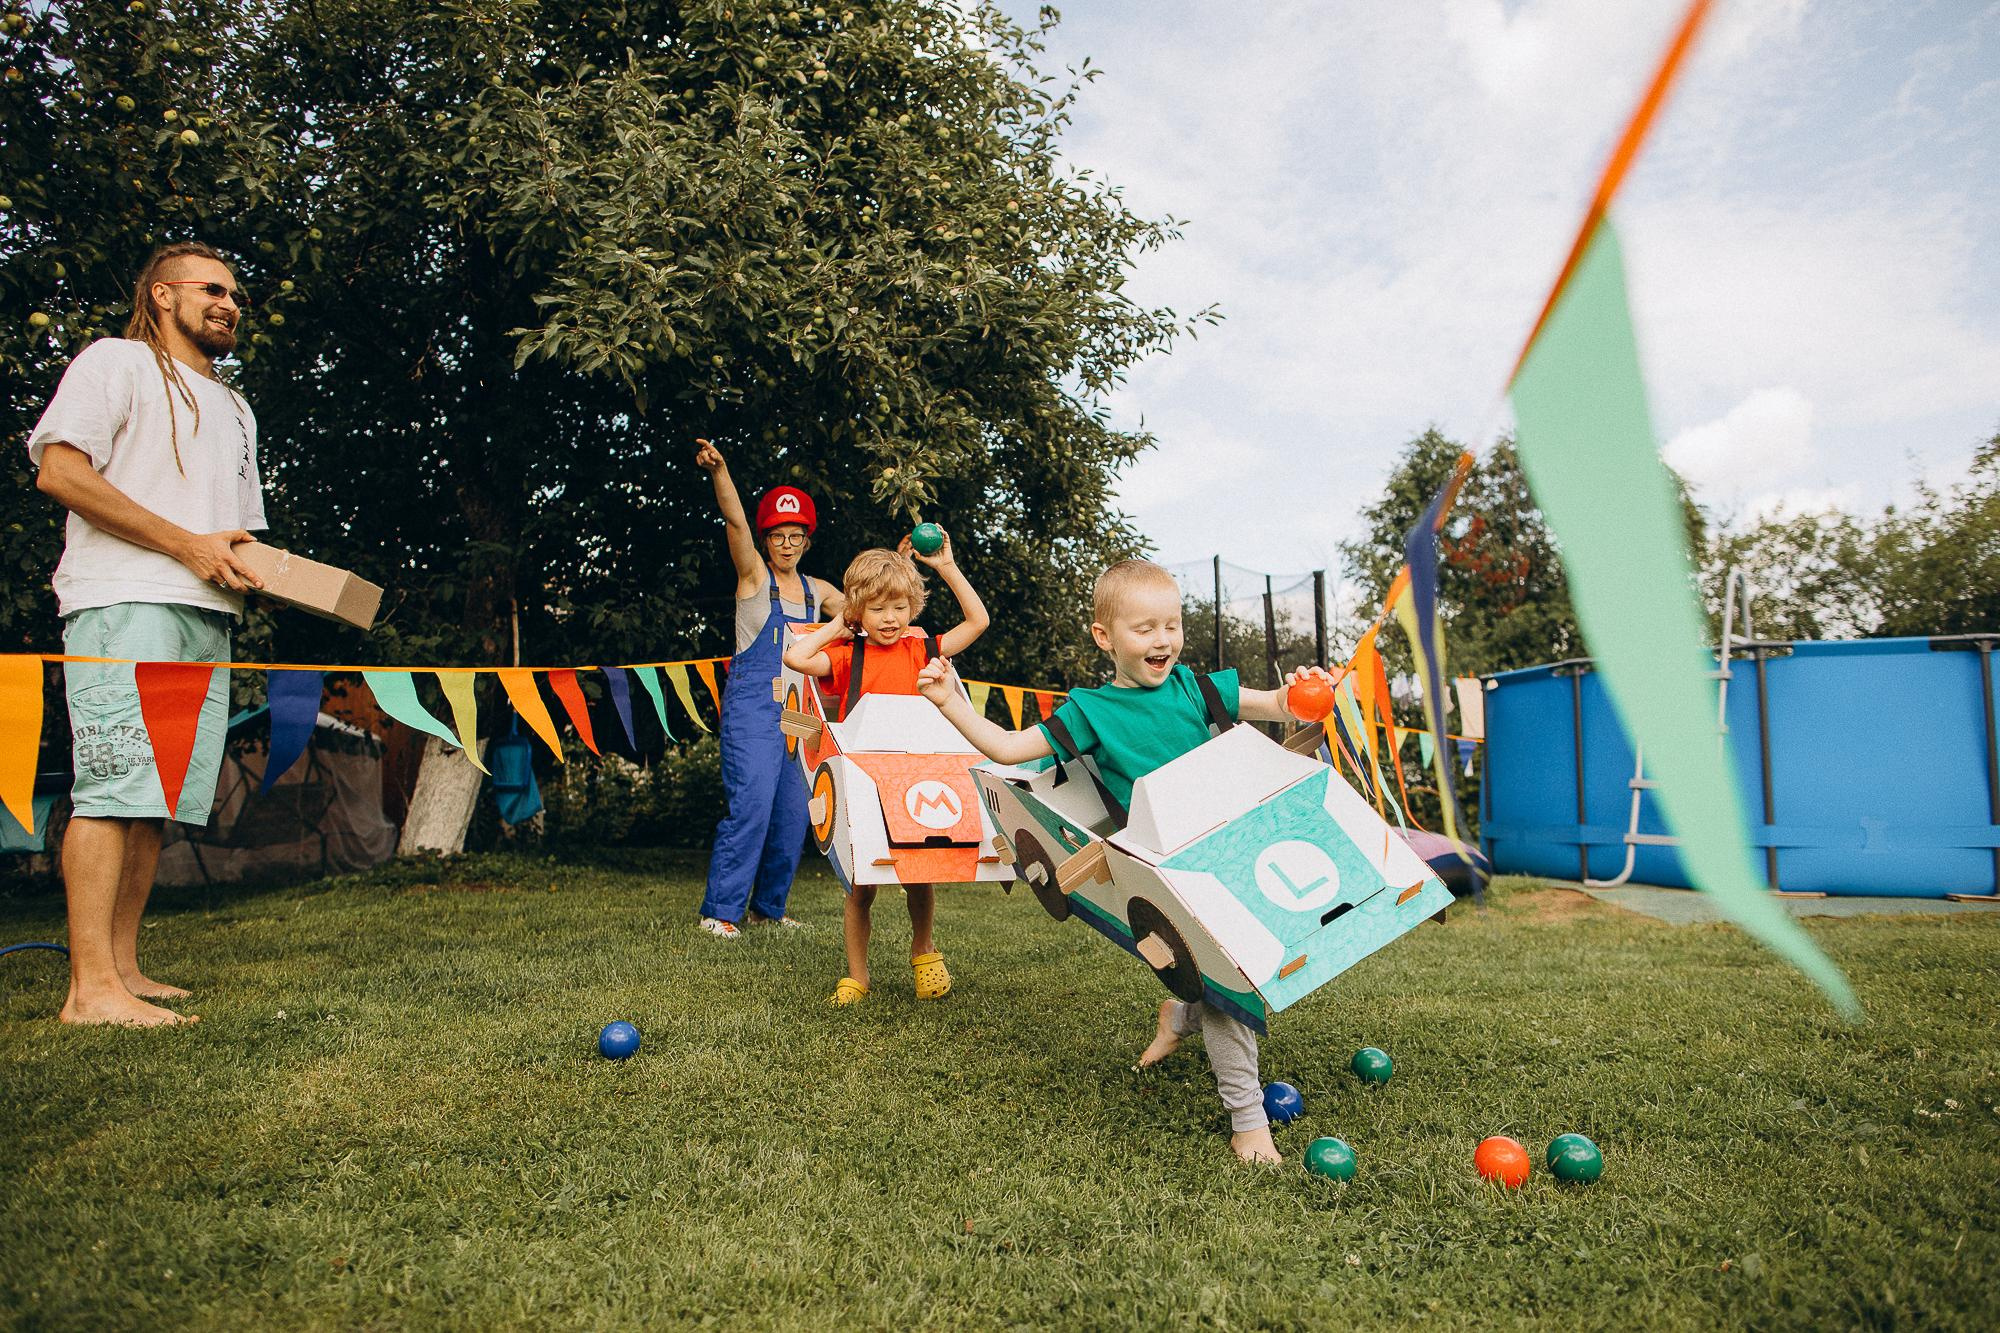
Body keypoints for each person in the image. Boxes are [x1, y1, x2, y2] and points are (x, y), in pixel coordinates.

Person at [916, 558, 1329, 1163]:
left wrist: (1309, 690)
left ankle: (1180, 1015)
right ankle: (1247, 1119)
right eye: (1144, 628)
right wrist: (951, 701)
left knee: (1236, 969)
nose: (1163, 639)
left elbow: (1282, 704)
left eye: (1172, 624)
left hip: (1230, 845)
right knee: (1233, 978)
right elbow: (1008, 748)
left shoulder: (1198, 686)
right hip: (1165, 863)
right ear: (1105, 637)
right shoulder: (1090, 711)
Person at [26, 241, 269, 1027]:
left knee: (155, 798)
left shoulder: (237, 409)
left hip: (206, 614)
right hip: (124, 600)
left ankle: (124, 967)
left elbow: (236, 536)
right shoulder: (114, 364)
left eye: (236, 294)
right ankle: (88, 989)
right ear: (162, 295)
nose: (230, 303)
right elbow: (60, 472)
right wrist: (183, 544)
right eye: (213, 289)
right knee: (111, 785)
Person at [782, 533, 989, 1005]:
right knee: (860, 885)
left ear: (912, 606)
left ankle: (924, 951)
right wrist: (840, 624)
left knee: (920, 874)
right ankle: (859, 976)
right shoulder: (846, 654)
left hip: (914, 773)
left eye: (898, 607)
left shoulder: (923, 649)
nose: (890, 619)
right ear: (859, 610)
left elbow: (978, 620)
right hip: (863, 777)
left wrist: (947, 567)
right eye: (876, 609)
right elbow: (794, 657)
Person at [694, 439, 845, 938]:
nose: (786, 543)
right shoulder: (754, 577)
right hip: (753, 709)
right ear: (766, 539)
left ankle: (769, 910)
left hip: (799, 714)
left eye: (795, 535)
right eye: (777, 535)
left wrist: (901, 563)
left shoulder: (818, 591)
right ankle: (719, 913)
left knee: (791, 818)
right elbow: (735, 523)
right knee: (753, 806)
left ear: (807, 540)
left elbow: (863, 612)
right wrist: (721, 472)